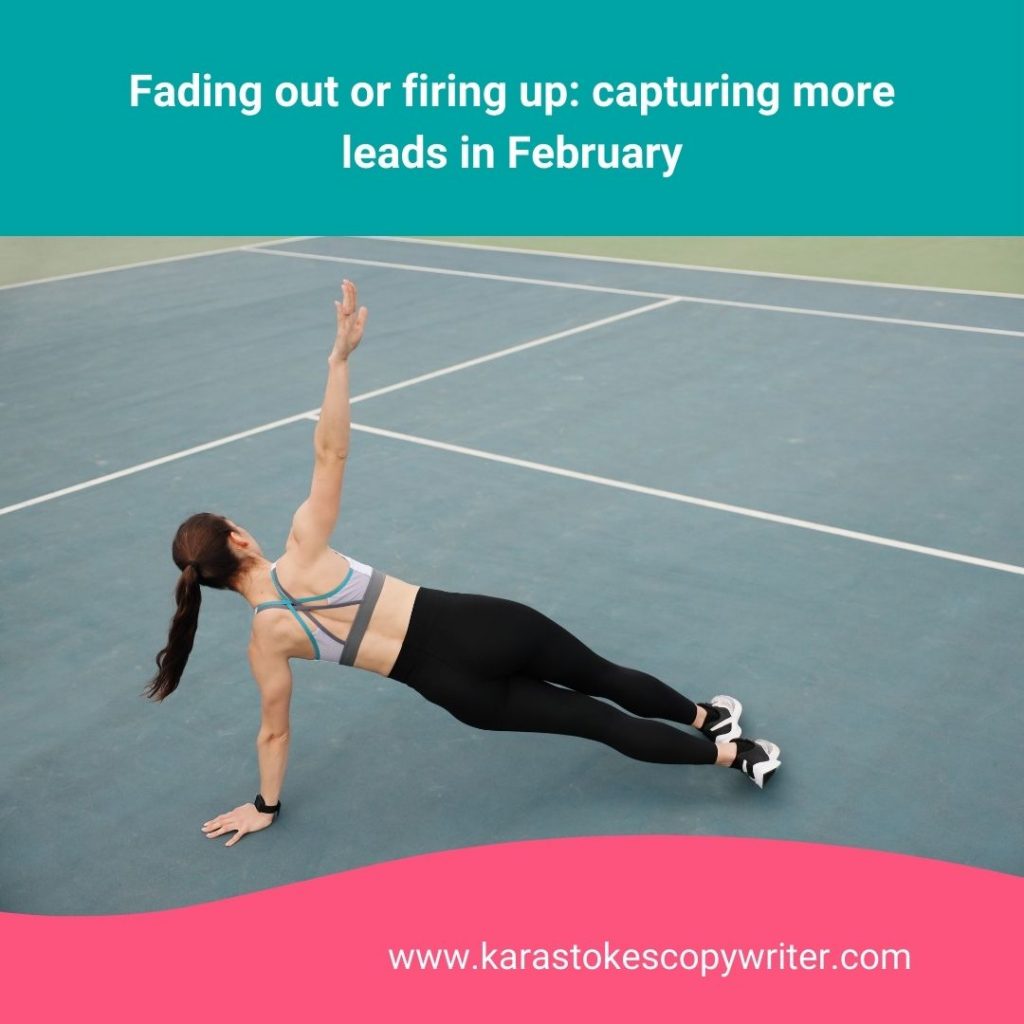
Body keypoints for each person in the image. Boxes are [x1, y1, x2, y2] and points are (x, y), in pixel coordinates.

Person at [146, 280, 782, 848]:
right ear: (238, 537)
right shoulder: (303, 548)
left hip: (460, 692)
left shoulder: (265, 641)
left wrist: (265, 806)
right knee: (603, 677)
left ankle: (740, 756)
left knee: (599, 724)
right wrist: (338, 363)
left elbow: (274, 734)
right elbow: (330, 453)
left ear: (208, 584)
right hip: (480, 626)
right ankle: (708, 717)